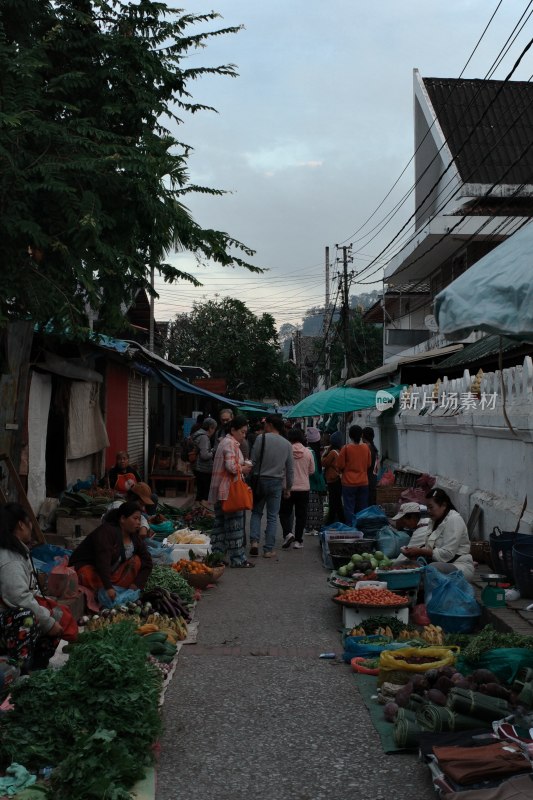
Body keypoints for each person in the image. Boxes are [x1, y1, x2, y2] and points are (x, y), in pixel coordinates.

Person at [0, 503, 64, 671]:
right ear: (21, 524)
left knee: (54, 611)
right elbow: (18, 597)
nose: (31, 527)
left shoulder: (18, 552)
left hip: (7, 618)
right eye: (30, 522)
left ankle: (38, 665)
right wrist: (48, 623)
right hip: (6, 620)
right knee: (26, 616)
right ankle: (21, 670)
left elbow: (31, 590)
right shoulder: (9, 559)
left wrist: (50, 610)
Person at [69, 502, 153, 601]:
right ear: (122, 519)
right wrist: (108, 587)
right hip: (92, 568)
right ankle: (105, 589)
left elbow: (147, 561)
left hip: (110, 572)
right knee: (86, 574)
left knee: (137, 561)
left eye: (139, 519)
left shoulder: (134, 537)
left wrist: (137, 583)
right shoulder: (107, 532)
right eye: (135, 518)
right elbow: (103, 560)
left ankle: (114, 589)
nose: (138, 522)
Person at [208, 415, 255, 568]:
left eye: (245, 432)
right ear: (233, 430)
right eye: (242, 432)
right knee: (234, 526)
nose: (244, 435)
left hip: (220, 491)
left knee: (220, 525)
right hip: (229, 491)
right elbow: (231, 467)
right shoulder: (230, 444)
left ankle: (217, 556)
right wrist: (245, 468)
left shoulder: (224, 442)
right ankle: (238, 559)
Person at [399, 488, 475, 580]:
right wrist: (413, 554)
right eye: (427, 508)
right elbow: (430, 548)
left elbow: (447, 554)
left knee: (432, 569)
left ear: (443, 505)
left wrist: (421, 551)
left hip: (458, 566)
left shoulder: (454, 519)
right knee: (401, 566)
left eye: (431, 507)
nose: (428, 511)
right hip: (438, 563)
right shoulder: (433, 521)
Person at [249, 415, 294, 558]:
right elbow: (290, 469)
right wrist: (288, 488)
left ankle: (254, 543)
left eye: (265, 424)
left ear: (269, 425)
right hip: (276, 482)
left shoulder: (260, 439)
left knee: (256, 512)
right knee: (272, 516)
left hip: (259, 480)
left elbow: (253, 461)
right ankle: (268, 549)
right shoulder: (287, 444)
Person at [279, 429, 315, 549]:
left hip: (287, 488)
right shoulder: (308, 452)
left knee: (284, 513)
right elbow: (312, 471)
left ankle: (288, 534)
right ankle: (298, 541)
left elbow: (281, 469)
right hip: (304, 488)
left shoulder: (285, 451)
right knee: (301, 515)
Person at [337, 424, 372, 524]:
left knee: (349, 507)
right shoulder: (366, 448)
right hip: (363, 482)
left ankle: (351, 528)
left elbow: (339, 465)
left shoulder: (346, 448)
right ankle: (361, 527)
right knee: (362, 508)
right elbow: (368, 464)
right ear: (361, 435)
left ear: (350, 436)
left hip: (348, 482)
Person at [305, 427, 326, 534]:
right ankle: (312, 528)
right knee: (314, 508)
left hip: (309, 484)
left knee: (311, 508)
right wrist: (322, 484)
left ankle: (311, 528)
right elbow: (315, 472)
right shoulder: (312, 453)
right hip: (314, 485)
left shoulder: (307, 451)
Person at [191, 417, 217, 502]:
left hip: (197, 467)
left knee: (200, 492)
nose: (214, 431)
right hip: (203, 469)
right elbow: (204, 455)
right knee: (203, 494)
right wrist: (213, 451)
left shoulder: (197, 434)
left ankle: (198, 511)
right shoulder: (204, 437)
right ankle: (201, 512)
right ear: (210, 428)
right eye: (214, 428)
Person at [321, 431, 344, 524]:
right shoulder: (340, 451)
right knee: (337, 501)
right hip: (338, 479)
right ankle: (339, 519)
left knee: (334, 501)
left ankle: (333, 520)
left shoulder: (332, 453)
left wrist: (325, 453)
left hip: (333, 479)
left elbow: (324, 463)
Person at [362, 427, 379, 506]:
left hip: (368, 478)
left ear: (363, 436)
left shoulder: (367, 448)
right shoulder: (373, 448)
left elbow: (365, 464)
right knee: (371, 502)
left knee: (368, 503)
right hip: (372, 478)